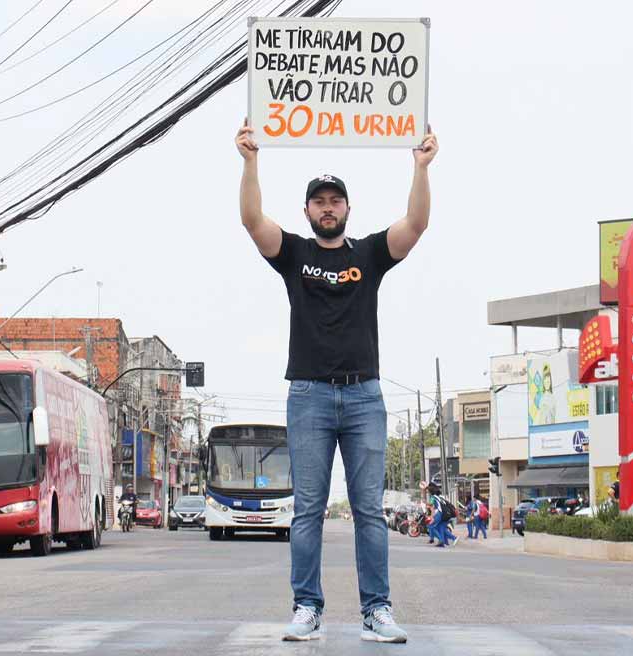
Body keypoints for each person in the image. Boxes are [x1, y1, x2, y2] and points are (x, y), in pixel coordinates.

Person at [236, 119, 438, 644]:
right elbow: (252, 220)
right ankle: (307, 608)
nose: (328, 208)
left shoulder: (368, 254)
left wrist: (420, 168)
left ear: (347, 208)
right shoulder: (295, 256)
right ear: (307, 211)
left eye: (335, 200)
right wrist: (250, 161)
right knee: (307, 511)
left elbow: (415, 225)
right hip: (308, 396)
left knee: (370, 510)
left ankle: (377, 611)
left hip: (365, 397)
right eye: (319, 201)